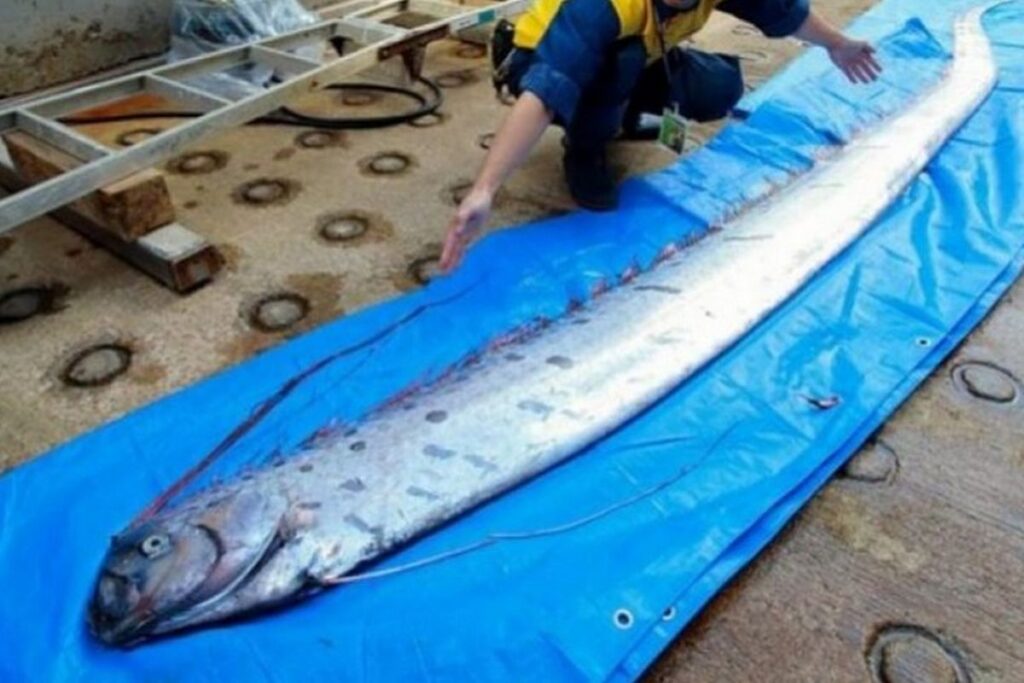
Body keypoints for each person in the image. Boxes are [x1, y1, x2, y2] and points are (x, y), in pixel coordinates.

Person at [439, 0, 882, 272]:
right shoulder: (604, 5)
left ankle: (619, 114)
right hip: (537, 60)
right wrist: (485, 189)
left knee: (718, 89)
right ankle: (585, 147)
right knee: (620, 61)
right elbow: (545, 92)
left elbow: (786, 12)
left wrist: (837, 44)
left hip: (641, 53)